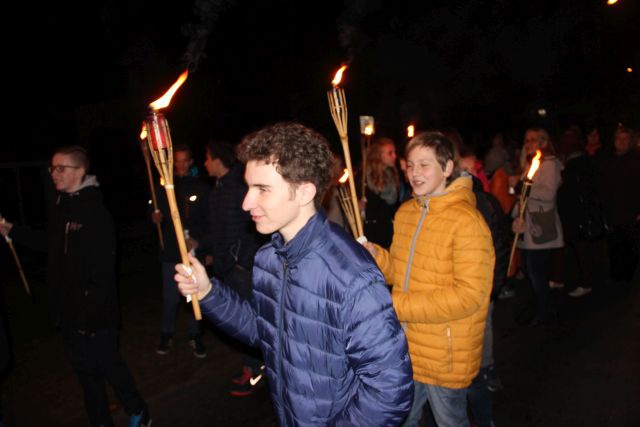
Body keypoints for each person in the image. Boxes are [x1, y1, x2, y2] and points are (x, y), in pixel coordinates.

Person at [174, 122, 414, 425]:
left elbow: (390, 390)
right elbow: (263, 332)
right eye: (249, 186)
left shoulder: (352, 276)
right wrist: (208, 292)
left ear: (304, 192)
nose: (247, 202)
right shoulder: (268, 259)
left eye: (262, 189)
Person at [0, 146, 150, 427]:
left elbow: (103, 273)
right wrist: (13, 230)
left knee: (109, 366)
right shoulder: (62, 205)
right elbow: (51, 246)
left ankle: (138, 410)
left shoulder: (95, 212)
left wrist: (88, 316)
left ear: (80, 171)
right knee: (86, 375)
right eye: (52, 168)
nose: (53, 174)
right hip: (69, 313)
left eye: (60, 168)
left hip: (95, 316)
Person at [364, 131, 495, 427]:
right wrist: (376, 257)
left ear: (447, 168)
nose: (414, 173)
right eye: (410, 165)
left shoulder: (467, 221)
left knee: (450, 422)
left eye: (424, 165)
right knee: (403, 420)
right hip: (407, 349)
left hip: (445, 355)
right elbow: (399, 270)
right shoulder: (406, 212)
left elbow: (469, 296)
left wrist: (396, 305)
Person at [193, 139, 266, 396]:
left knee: (251, 319)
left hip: (241, 268)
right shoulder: (218, 190)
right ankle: (251, 365)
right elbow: (220, 230)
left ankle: (255, 370)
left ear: (217, 160)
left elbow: (252, 228)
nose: (204, 164)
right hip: (227, 266)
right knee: (237, 318)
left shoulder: (238, 188)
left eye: (207, 158)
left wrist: (240, 259)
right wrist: (207, 248)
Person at [152, 144, 209, 358]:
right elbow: (156, 213)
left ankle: (196, 335)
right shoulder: (164, 186)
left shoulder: (201, 187)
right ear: (172, 163)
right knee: (170, 298)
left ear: (191, 162)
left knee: (194, 294)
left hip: (193, 251)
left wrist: (203, 245)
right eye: (178, 160)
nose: (182, 164)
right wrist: (155, 217)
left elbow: (207, 219)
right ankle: (166, 333)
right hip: (170, 252)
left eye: (186, 160)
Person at [511, 128, 564, 326]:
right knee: (529, 269)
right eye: (526, 140)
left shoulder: (549, 164)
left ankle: (545, 312)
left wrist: (523, 187)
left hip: (540, 224)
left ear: (543, 142)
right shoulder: (532, 162)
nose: (529, 143)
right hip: (526, 224)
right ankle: (541, 307)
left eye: (533, 140)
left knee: (536, 272)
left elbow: (548, 194)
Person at [595, 126, 640, 285]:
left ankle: (627, 275)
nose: (620, 142)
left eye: (624, 139)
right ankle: (616, 274)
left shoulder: (635, 160)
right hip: (611, 211)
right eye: (618, 139)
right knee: (614, 245)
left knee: (630, 245)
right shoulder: (608, 159)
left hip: (630, 212)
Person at [361, 137, 401, 249]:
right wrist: (362, 207)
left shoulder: (394, 175)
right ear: (379, 156)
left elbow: (395, 204)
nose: (394, 156)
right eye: (390, 153)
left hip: (389, 230)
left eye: (394, 152)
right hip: (372, 232)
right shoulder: (365, 178)